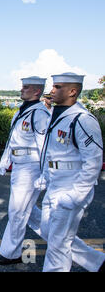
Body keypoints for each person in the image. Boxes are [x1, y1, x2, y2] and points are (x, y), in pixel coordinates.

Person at [38, 72, 105, 272]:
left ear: (73, 91)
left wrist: (77, 195)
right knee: (51, 233)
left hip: (71, 186)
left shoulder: (83, 119)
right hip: (55, 184)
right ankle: (97, 262)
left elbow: (93, 161)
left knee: (58, 243)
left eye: (57, 87)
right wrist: (45, 177)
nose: (52, 90)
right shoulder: (57, 115)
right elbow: (54, 152)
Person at [0, 76, 51, 265]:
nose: (21, 90)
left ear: (36, 91)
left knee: (17, 211)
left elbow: (44, 146)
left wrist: (45, 173)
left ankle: (11, 253)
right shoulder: (21, 111)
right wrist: (5, 160)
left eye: (26, 87)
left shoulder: (40, 114)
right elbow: (13, 139)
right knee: (27, 210)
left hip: (30, 166)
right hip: (19, 165)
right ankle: (61, 239)